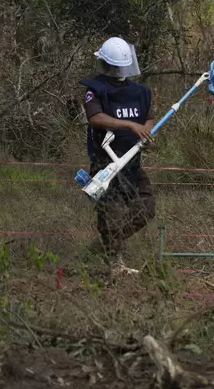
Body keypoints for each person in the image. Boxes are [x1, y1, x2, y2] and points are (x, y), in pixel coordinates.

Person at [80, 36, 156, 275]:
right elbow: (95, 118)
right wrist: (130, 126)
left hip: (132, 162)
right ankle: (115, 264)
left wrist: (146, 132)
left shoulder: (140, 91)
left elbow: (148, 118)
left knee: (146, 207)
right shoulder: (95, 90)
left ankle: (105, 244)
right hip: (107, 164)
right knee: (110, 214)